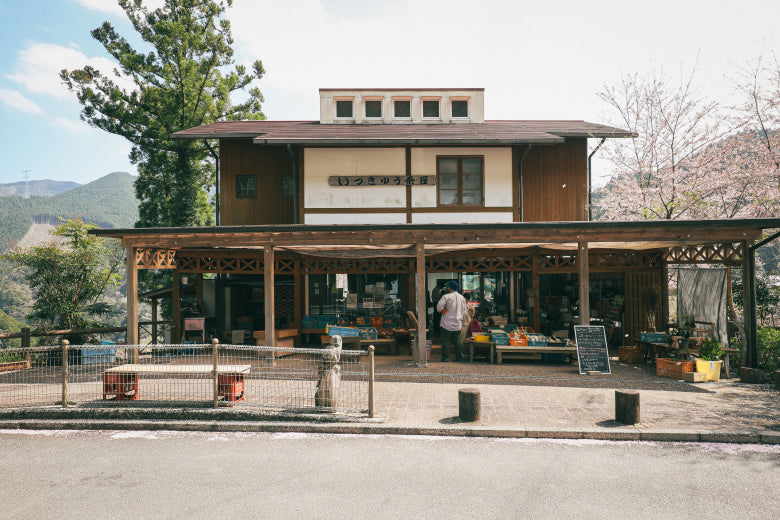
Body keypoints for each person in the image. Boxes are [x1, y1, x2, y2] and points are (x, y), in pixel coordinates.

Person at [436, 280, 467, 362]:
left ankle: (445, 358)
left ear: (449, 288)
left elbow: (439, 308)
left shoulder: (445, 297)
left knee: (446, 341)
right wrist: (462, 321)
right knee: (458, 342)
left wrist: (444, 310)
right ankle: (458, 358)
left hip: (446, 323)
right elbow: (464, 312)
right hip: (457, 324)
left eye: (447, 286)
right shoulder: (462, 298)